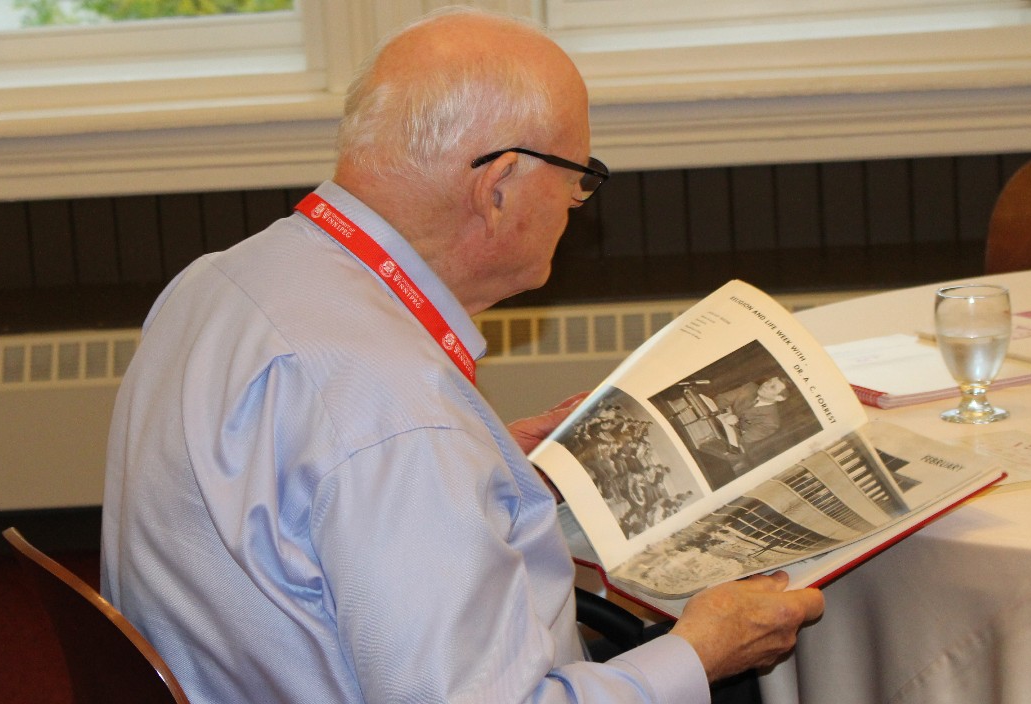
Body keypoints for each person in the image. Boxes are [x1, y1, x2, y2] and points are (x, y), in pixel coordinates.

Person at [99, 7, 823, 703]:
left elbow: (312, 487)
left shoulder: (221, 279)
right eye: (579, 177)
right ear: (499, 184)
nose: (578, 202)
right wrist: (698, 654)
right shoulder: (400, 417)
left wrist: (483, 463)